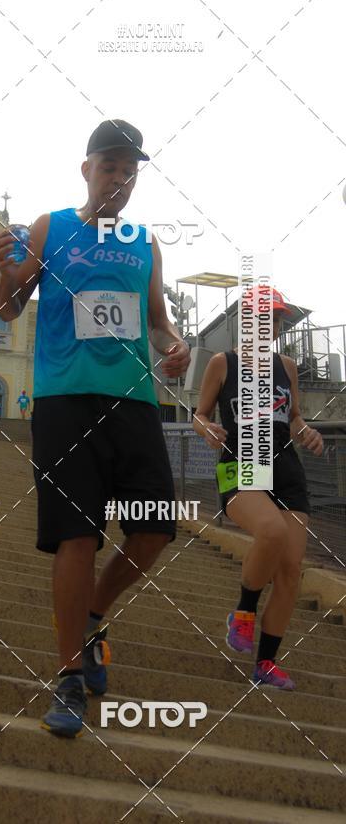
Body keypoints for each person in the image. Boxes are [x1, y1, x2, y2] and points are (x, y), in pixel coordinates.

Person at [0, 119, 190, 736]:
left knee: (155, 528)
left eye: (130, 169)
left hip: (133, 401)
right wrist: (5, 271)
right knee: (77, 537)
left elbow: (157, 321)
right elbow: (7, 308)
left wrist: (174, 343)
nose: (120, 178)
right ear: (86, 169)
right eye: (110, 166)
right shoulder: (51, 227)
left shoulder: (146, 242)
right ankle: (70, 676)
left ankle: (94, 612)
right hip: (64, 400)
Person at [193, 287, 323, 691]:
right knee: (271, 531)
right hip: (242, 463)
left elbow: (295, 417)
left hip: (286, 467)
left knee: (289, 571)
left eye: (277, 319)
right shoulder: (222, 363)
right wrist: (207, 428)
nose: (271, 325)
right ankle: (244, 611)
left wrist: (307, 433)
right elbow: (200, 414)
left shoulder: (286, 365)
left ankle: (265, 663)